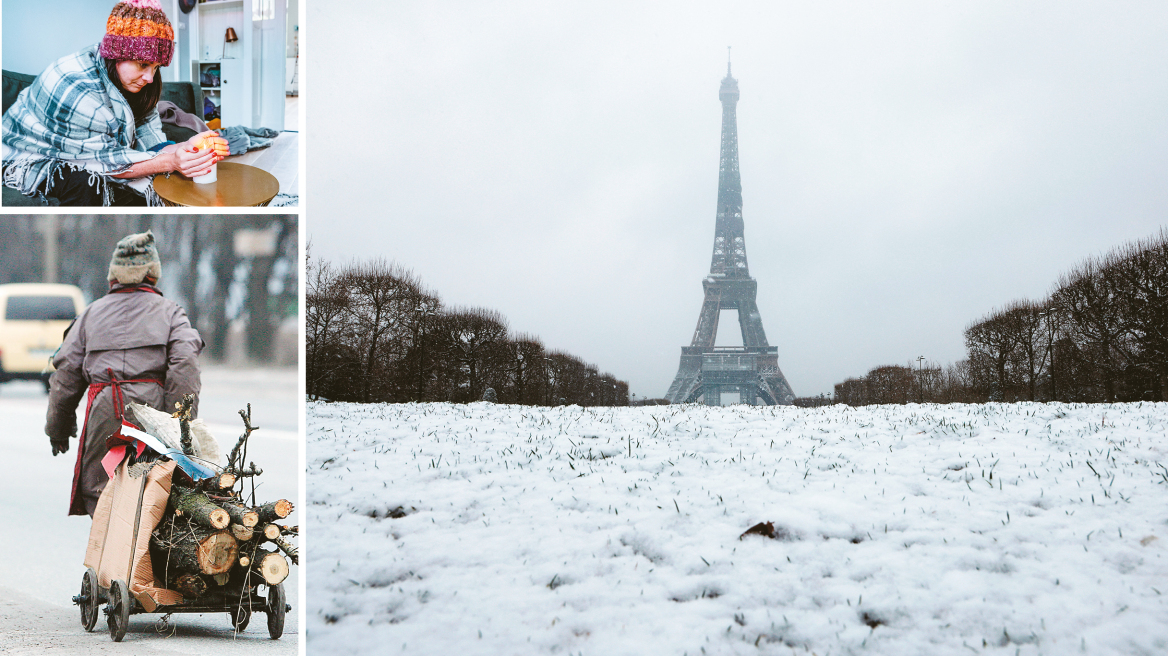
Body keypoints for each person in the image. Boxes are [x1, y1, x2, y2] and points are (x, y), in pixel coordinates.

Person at [2, 0, 229, 206]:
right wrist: (171, 161)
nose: (150, 78)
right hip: (29, 151)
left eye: (156, 67)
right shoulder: (74, 86)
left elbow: (151, 138)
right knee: (86, 183)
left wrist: (184, 149)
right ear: (115, 54)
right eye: (142, 65)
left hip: (94, 147)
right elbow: (103, 163)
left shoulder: (141, 83)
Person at [45, 231, 204, 516]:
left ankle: (106, 557)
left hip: (103, 416)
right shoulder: (172, 314)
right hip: (152, 416)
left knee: (101, 494)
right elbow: (185, 370)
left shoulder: (90, 315)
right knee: (156, 497)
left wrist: (57, 428)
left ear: (113, 277)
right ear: (153, 275)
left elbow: (66, 376)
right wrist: (180, 428)